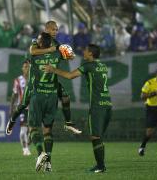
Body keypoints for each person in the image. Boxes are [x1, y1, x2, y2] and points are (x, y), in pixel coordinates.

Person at [43, 44, 112, 173]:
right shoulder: (102, 66)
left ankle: (100, 166)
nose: (83, 52)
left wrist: (53, 69)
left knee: (95, 137)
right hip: (108, 104)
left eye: (85, 50)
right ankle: (100, 165)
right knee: (98, 137)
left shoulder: (88, 66)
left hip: (97, 106)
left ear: (91, 53)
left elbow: (70, 75)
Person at [6, 20, 81, 136]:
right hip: (35, 79)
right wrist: (50, 50)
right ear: (46, 30)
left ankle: (68, 123)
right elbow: (33, 51)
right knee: (23, 104)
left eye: (56, 29)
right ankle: (12, 120)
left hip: (50, 79)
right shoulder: (38, 40)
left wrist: (70, 54)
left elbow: (70, 55)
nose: (55, 31)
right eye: (53, 29)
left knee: (65, 97)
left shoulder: (58, 44)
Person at [27, 32, 64, 172]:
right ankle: (48, 162)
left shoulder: (35, 54)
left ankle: (40, 153)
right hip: (52, 96)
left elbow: (32, 49)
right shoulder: (56, 55)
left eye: (38, 40)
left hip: (38, 96)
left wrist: (40, 43)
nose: (36, 41)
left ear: (41, 43)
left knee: (33, 127)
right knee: (47, 130)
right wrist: (53, 44)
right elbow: (65, 50)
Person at [9, 60, 31, 156]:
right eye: (25, 67)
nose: (27, 68)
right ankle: (25, 149)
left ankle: (27, 145)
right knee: (23, 131)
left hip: (34, 109)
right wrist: (11, 108)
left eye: (28, 67)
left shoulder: (36, 79)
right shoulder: (18, 80)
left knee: (33, 132)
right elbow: (14, 95)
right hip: (22, 108)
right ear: (22, 68)